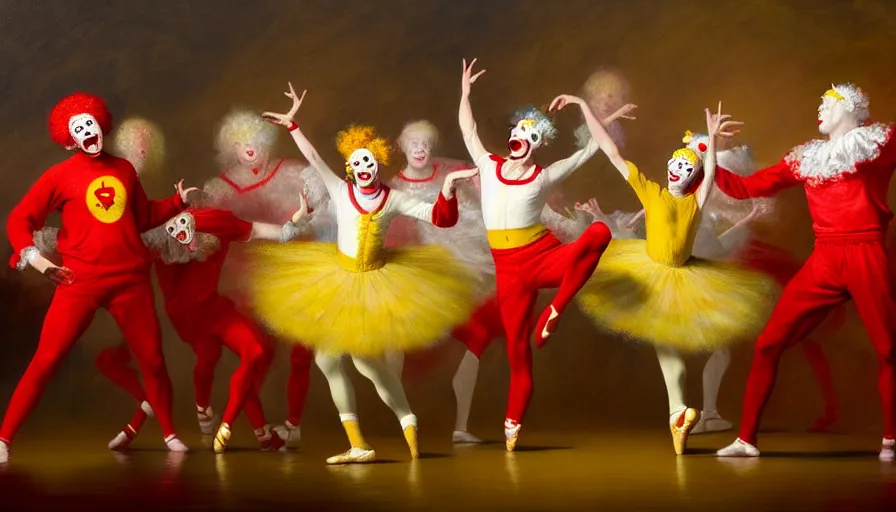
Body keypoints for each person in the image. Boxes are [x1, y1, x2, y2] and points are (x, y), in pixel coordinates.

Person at [252, 83, 478, 464]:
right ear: (349, 169)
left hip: (372, 283)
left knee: (356, 361)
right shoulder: (341, 191)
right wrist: (293, 126)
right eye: (356, 163)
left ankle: (381, 435)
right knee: (340, 361)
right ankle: (393, 429)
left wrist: (451, 187)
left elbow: (440, 218)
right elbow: (313, 156)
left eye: (368, 161)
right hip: (338, 279)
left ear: (378, 163)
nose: (363, 168)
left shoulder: (394, 198)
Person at [570, 97, 777, 455]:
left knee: (674, 345)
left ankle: (679, 412)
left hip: (686, 277)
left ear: (692, 176)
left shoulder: (695, 201)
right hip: (651, 272)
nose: (675, 169)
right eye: (673, 164)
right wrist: (581, 105)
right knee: (665, 344)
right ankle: (678, 413)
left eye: (683, 166)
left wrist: (710, 139)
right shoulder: (650, 191)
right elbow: (610, 150)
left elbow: (711, 174)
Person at [1, 93, 196, 463]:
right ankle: (3, 439)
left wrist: (176, 203)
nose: (87, 130)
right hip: (79, 282)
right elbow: (19, 219)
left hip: (130, 282)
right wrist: (37, 260)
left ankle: (170, 433)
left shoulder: (124, 169)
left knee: (153, 360)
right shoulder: (58, 176)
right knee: (46, 358)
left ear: (100, 125)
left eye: (90, 123)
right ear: (70, 139)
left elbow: (139, 217)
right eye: (79, 128)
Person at [712, 83, 896, 461]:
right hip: (825, 258)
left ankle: (892, 440)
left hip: (867, 252)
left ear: (852, 108)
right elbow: (745, 188)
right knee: (767, 344)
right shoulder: (806, 157)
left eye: (828, 102)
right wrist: (709, 149)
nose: (821, 107)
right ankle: (746, 440)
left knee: (888, 349)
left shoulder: (880, 141)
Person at [457, 59, 613, 451]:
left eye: (531, 134)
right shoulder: (488, 165)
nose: (522, 136)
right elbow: (468, 130)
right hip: (509, 272)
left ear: (538, 144)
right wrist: (465, 93)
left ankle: (555, 309)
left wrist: (585, 106)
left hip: (542, 256)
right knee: (516, 351)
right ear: (512, 136)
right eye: (519, 130)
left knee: (599, 232)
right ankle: (513, 423)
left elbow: (591, 148)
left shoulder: (545, 174)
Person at [103, 206, 304, 453]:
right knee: (209, 356)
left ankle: (235, 427)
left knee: (256, 352)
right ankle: (212, 412)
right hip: (187, 319)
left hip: (214, 309)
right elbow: (121, 253)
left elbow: (257, 230)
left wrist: (293, 227)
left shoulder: (219, 223)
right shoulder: (158, 240)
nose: (183, 233)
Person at [199, 108, 330, 447]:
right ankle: (259, 428)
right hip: (250, 285)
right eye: (241, 143)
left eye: (255, 141)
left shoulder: (295, 173)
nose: (250, 148)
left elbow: (325, 212)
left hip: (299, 276)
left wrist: (307, 219)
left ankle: (293, 423)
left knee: (302, 352)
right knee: (258, 353)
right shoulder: (221, 188)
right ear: (231, 148)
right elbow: (210, 234)